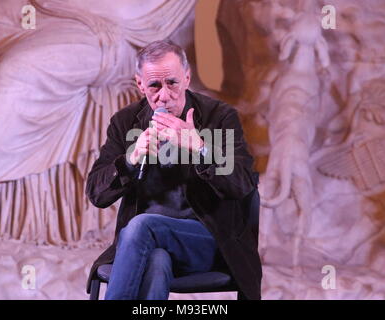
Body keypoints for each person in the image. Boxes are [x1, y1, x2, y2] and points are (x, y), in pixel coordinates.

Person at [86, 40, 262, 300]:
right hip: (144, 244)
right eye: (155, 86)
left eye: (172, 83)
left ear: (187, 78)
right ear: (140, 85)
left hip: (209, 240)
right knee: (156, 263)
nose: (164, 95)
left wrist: (201, 148)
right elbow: (96, 194)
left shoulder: (220, 117)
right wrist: (130, 159)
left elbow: (242, 184)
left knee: (142, 225)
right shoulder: (125, 122)